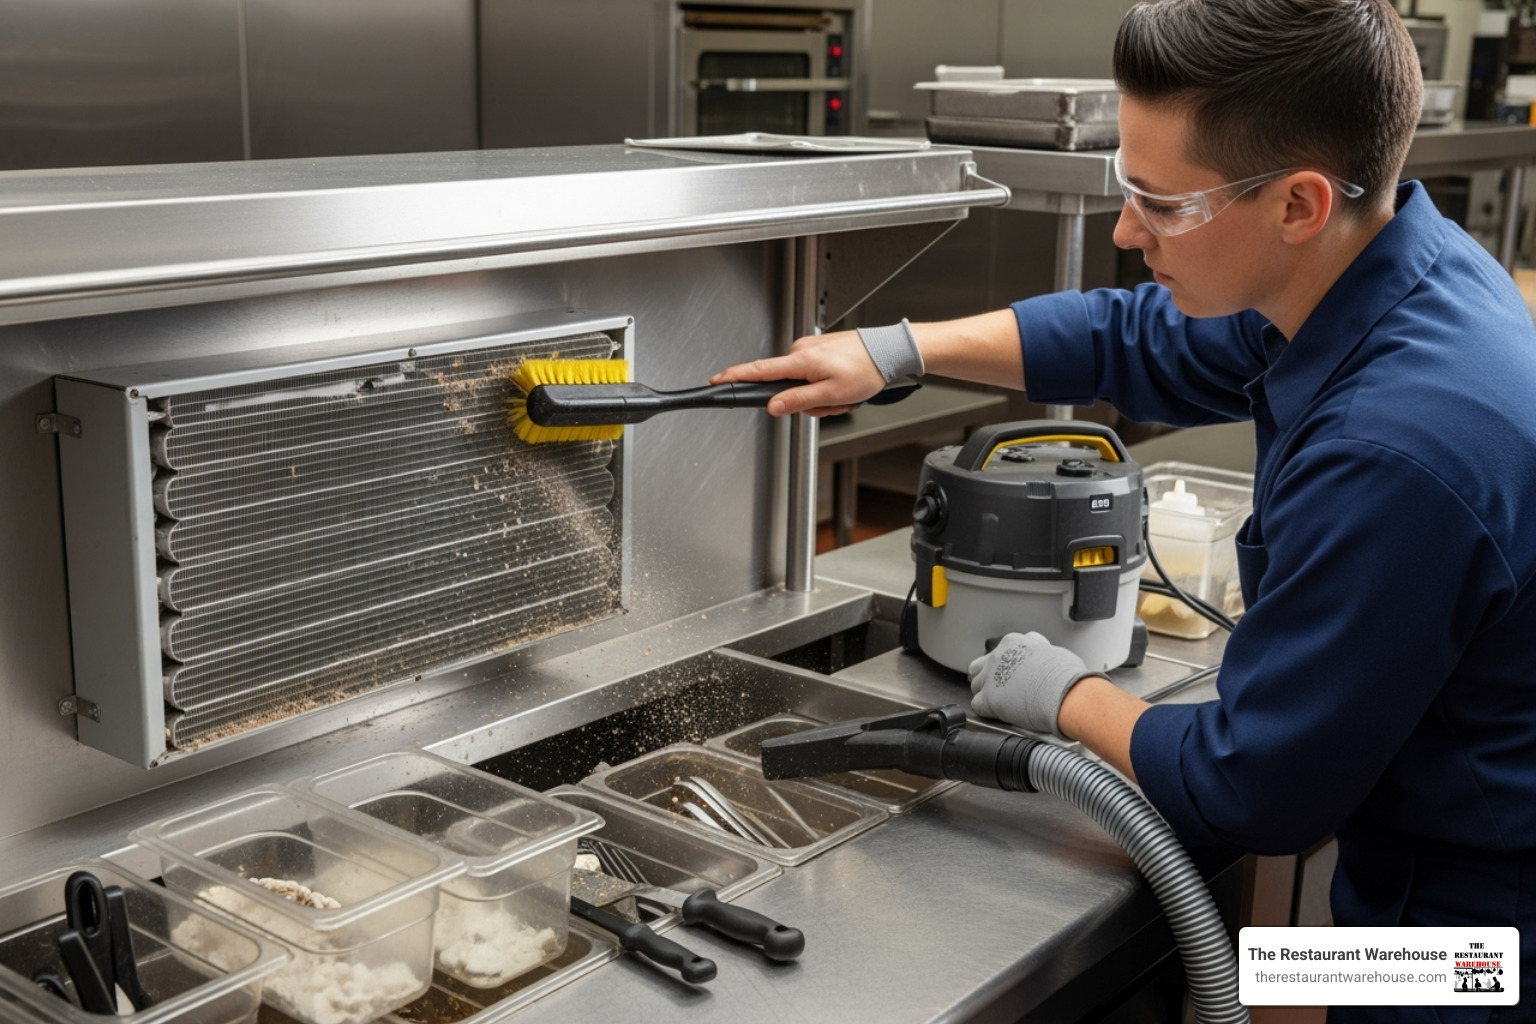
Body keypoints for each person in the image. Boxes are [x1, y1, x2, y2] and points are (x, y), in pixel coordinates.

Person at [712, 1, 1536, 1020]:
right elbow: (1135, 339)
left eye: (1160, 202)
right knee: (1262, 975)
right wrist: (899, 350)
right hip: (1435, 867)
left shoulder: (1398, 444)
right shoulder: (1388, 268)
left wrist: (1062, 694)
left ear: (1298, 203)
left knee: (1261, 982)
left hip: (1482, 948)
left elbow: (1254, 790)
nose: (1124, 229)